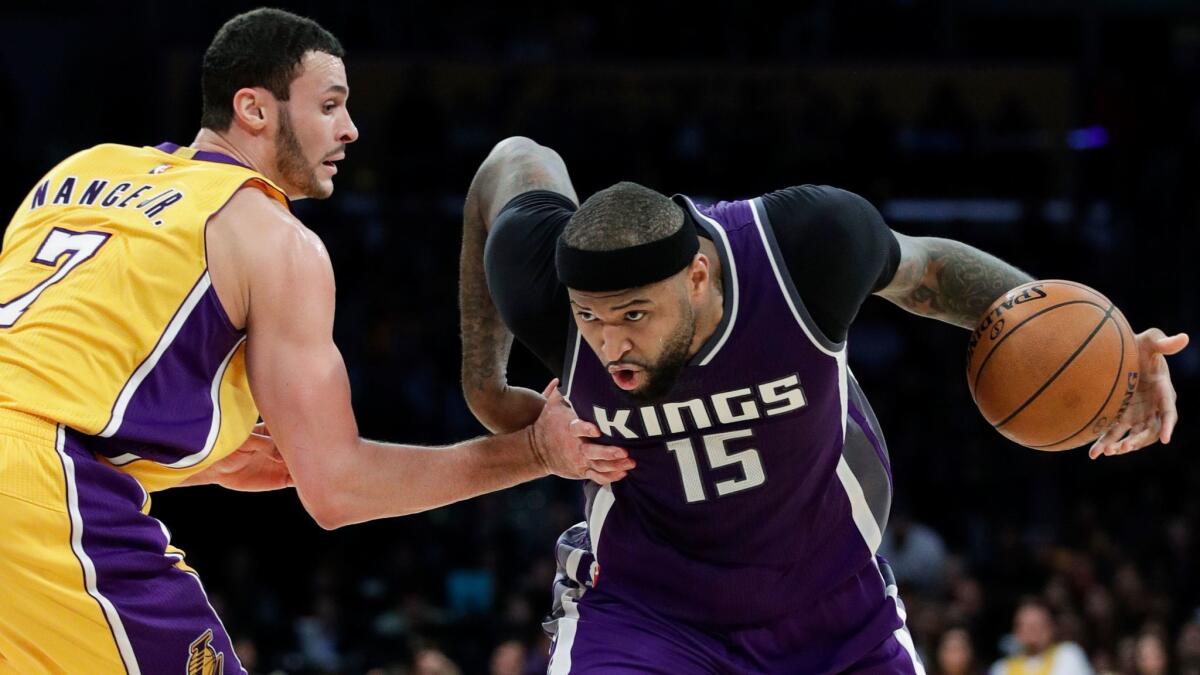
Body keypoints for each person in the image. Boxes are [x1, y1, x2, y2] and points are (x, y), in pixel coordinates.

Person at [0, 11, 624, 675]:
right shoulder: (274, 236)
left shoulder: (80, 171)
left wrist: (196, 457)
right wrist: (534, 449)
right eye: (328, 105)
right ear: (254, 109)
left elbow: (50, 373)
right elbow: (338, 490)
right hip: (39, 492)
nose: (351, 129)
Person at [458, 136, 1188, 673]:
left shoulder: (804, 248)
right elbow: (510, 161)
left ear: (699, 277)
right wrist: (483, 386)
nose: (611, 344)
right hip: (647, 608)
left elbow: (929, 270)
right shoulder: (542, 284)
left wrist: (1105, 349)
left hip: (834, 606)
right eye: (593, 318)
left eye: (635, 317)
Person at [990, 599, 1093, 675]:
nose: (1032, 632)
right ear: (1016, 631)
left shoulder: (1069, 655)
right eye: (1026, 626)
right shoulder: (1002, 669)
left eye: (1038, 626)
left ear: (1051, 628)